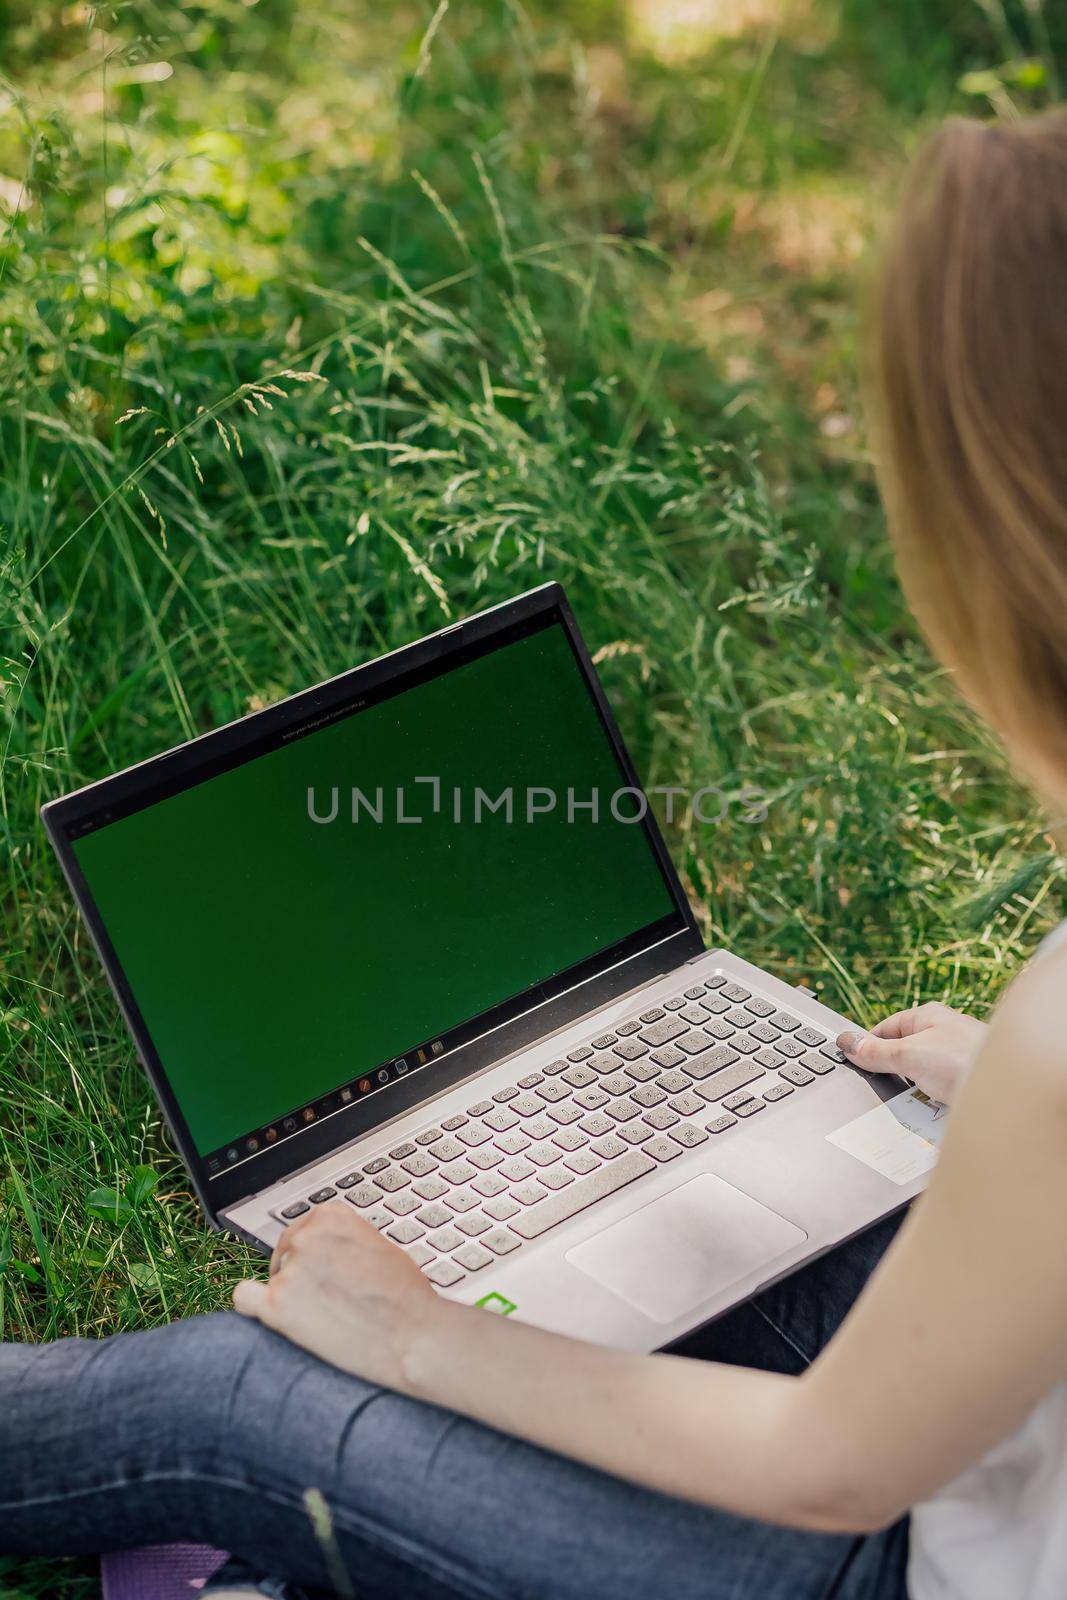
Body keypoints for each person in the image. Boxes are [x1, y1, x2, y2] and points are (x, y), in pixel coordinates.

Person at [4, 108, 1067, 1600]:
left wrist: (418, 1332)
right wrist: (1020, 1127)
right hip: (1014, 1447)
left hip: (901, 1558)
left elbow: (838, 1467)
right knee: (777, 1221)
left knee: (233, 1394)